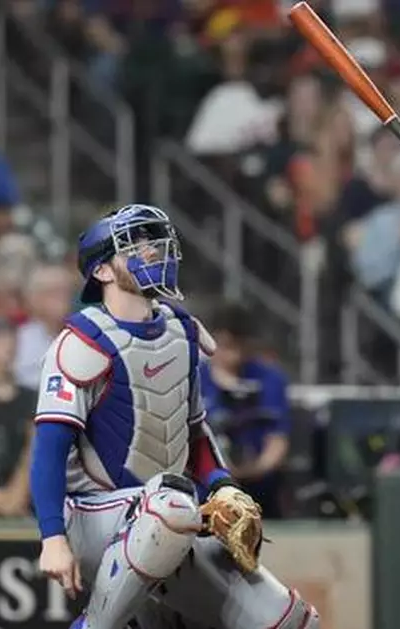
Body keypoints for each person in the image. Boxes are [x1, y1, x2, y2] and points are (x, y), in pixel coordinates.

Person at [28, 204, 319, 629]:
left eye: (153, 242)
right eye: (134, 246)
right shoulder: (80, 342)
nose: (151, 252)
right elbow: (49, 451)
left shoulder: (182, 332)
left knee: (290, 620)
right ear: (102, 271)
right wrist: (52, 537)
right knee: (172, 506)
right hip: (93, 513)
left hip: (166, 516)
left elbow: (194, 432)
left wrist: (223, 485)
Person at [199, 303, 292, 517]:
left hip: (259, 486)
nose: (234, 356)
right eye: (226, 346)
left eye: (241, 346)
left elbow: (278, 439)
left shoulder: (270, 379)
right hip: (208, 487)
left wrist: (252, 471)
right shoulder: (195, 378)